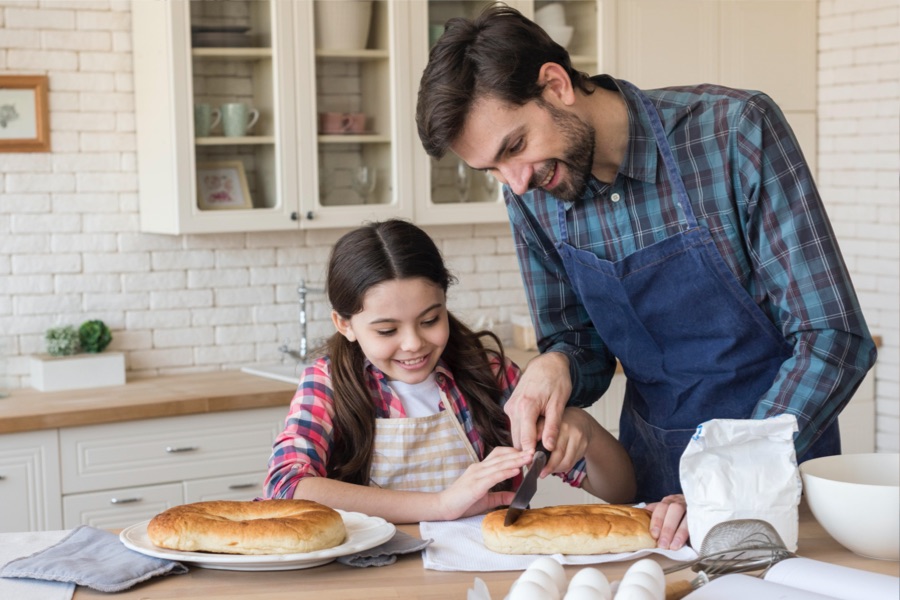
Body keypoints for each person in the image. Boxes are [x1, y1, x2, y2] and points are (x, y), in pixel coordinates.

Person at [416, 5, 877, 548]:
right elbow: (582, 349)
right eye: (491, 170)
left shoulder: (732, 132)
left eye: (514, 147)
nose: (514, 184)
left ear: (556, 83)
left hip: (778, 480)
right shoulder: (532, 196)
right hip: (653, 493)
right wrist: (555, 364)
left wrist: (727, 480)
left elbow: (834, 337)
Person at [264, 219, 637, 525]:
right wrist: (442, 505)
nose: (412, 343)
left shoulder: (488, 375)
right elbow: (286, 486)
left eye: (429, 320)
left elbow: (621, 492)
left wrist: (584, 428)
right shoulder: (329, 382)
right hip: (372, 578)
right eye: (387, 330)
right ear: (344, 325)